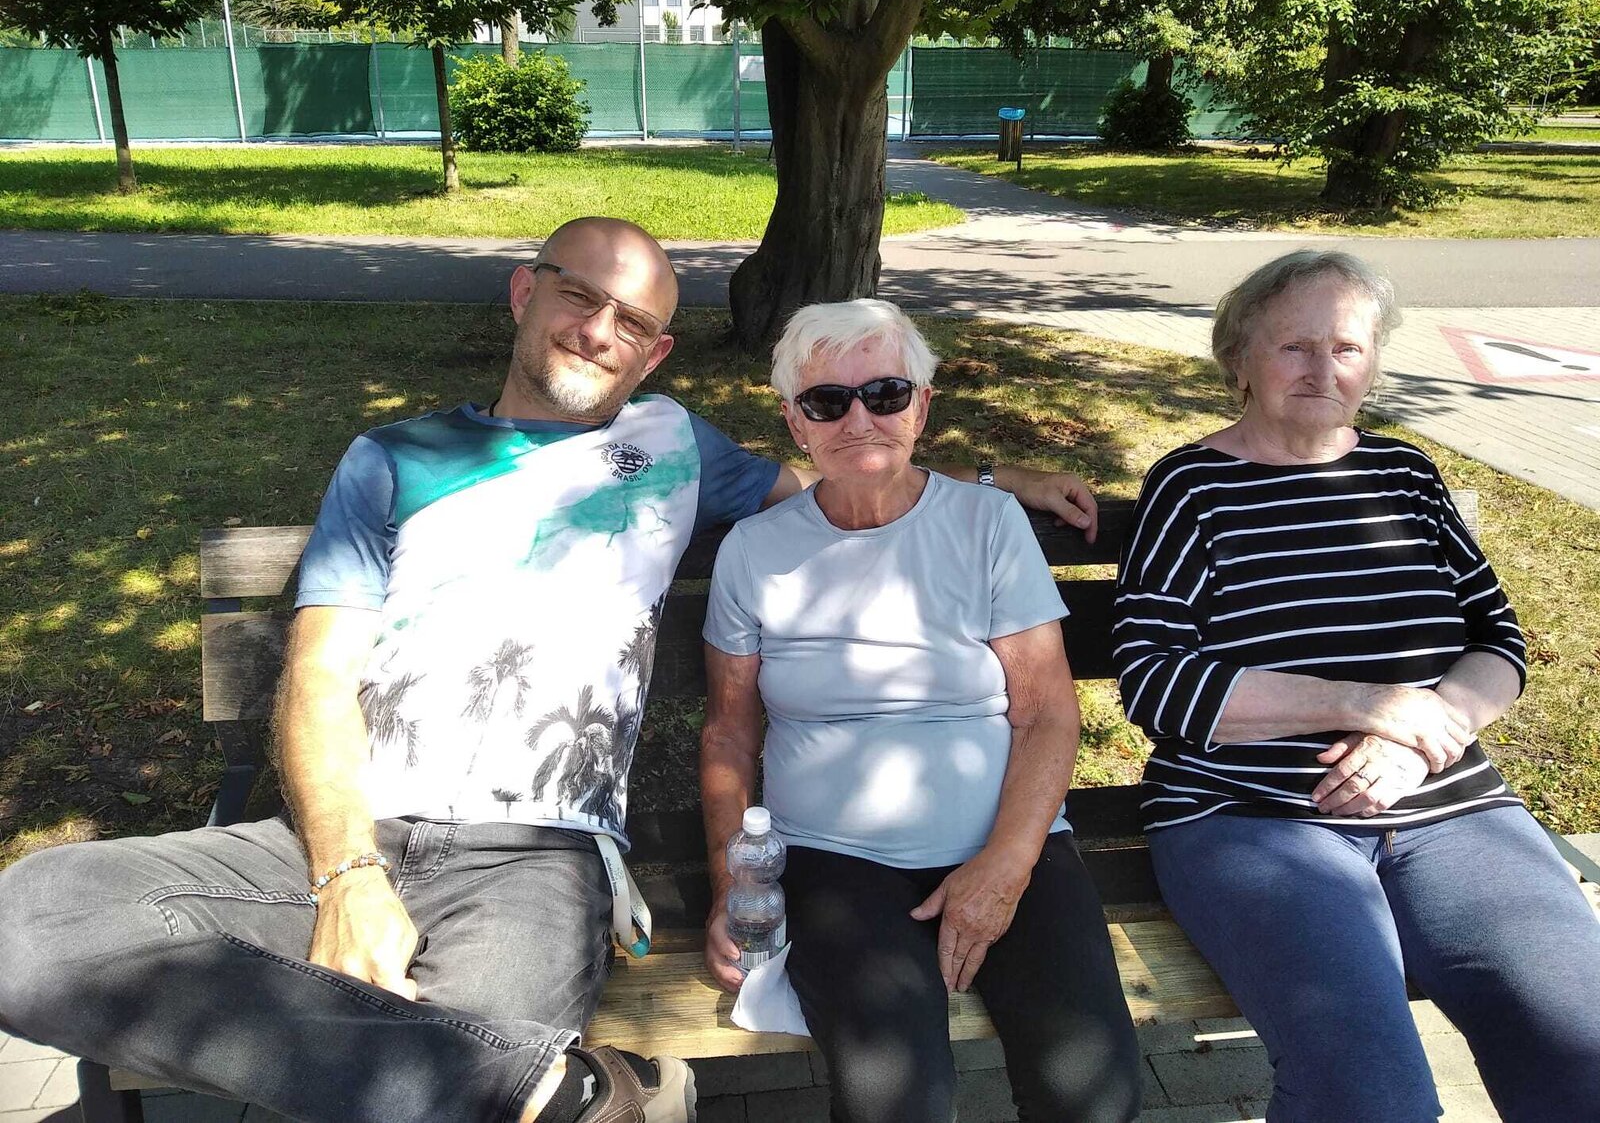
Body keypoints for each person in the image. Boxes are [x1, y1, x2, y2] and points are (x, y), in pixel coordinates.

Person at [0, 218, 1101, 1123]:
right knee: (28, 916)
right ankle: (555, 1093)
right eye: (580, 296)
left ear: (656, 356)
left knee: (447, 1062)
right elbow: (320, 676)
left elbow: (854, 464)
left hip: (533, 860)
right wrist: (348, 876)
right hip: (338, 837)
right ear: (525, 292)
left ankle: (482, 1080)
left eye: (635, 323)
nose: (600, 331)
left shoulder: (673, 446)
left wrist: (996, 480)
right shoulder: (392, 459)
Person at [1112, 249, 1600, 1123]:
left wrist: (1426, 732)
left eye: (1346, 347)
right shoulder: (1192, 488)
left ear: (1372, 363)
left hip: (1450, 807)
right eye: (1294, 346)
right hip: (1254, 817)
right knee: (1372, 1097)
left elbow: (1498, 639)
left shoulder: (1406, 476)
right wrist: (1365, 703)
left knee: (1585, 1050)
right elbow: (1155, 679)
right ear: (1240, 359)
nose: (1322, 369)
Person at [699, 299, 1141, 1123]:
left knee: (1093, 1090)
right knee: (894, 1103)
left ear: (922, 406)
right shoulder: (755, 551)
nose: (858, 419)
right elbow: (729, 730)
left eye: (885, 393)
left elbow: (1046, 712)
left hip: (1011, 840)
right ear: (795, 422)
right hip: (835, 860)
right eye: (827, 401)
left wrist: (1005, 865)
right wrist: (733, 884)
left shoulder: (987, 522)